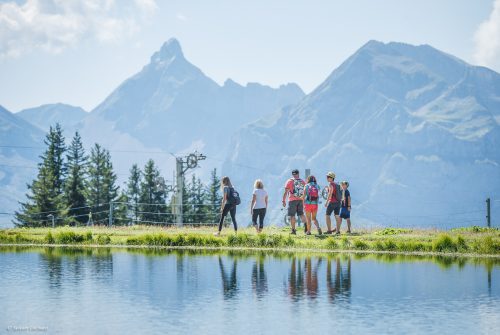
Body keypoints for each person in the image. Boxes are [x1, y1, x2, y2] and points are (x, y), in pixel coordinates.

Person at [282, 169, 307, 235]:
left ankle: (293, 230)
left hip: (292, 200)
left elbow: (286, 192)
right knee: (301, 214)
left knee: (292, 215)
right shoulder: (302, 182)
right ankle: (306, 225)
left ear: (292, 174)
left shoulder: (289, 181)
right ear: (298, 174)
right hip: (300, 200)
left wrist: (283, 200)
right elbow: (305, 192)